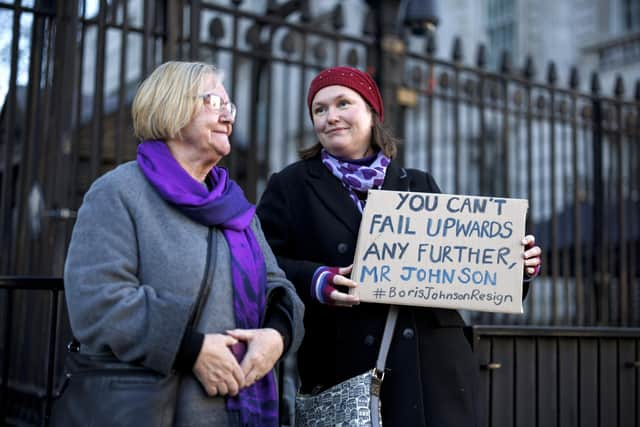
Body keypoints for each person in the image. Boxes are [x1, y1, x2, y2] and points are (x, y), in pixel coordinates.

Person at [256, 66, 542, 426]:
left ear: (372, 112)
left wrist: (519, 265)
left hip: (433, 374)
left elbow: (462, 272)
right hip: (349, 376)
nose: (331, 117)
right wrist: (316, 279)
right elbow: (260, 265)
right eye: (320, 109)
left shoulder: (418, 184)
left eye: (343, 103)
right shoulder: (291, 185)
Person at [61, 61, 304, 426]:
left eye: (230, 107)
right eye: (214, 102)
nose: (228, 117)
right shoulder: (118, 192)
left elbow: (278, 286)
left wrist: (276, 335)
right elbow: (97, 299)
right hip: (152, 410)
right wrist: (191, 349)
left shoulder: (237, 208)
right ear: (172, 109)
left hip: (237, 412)